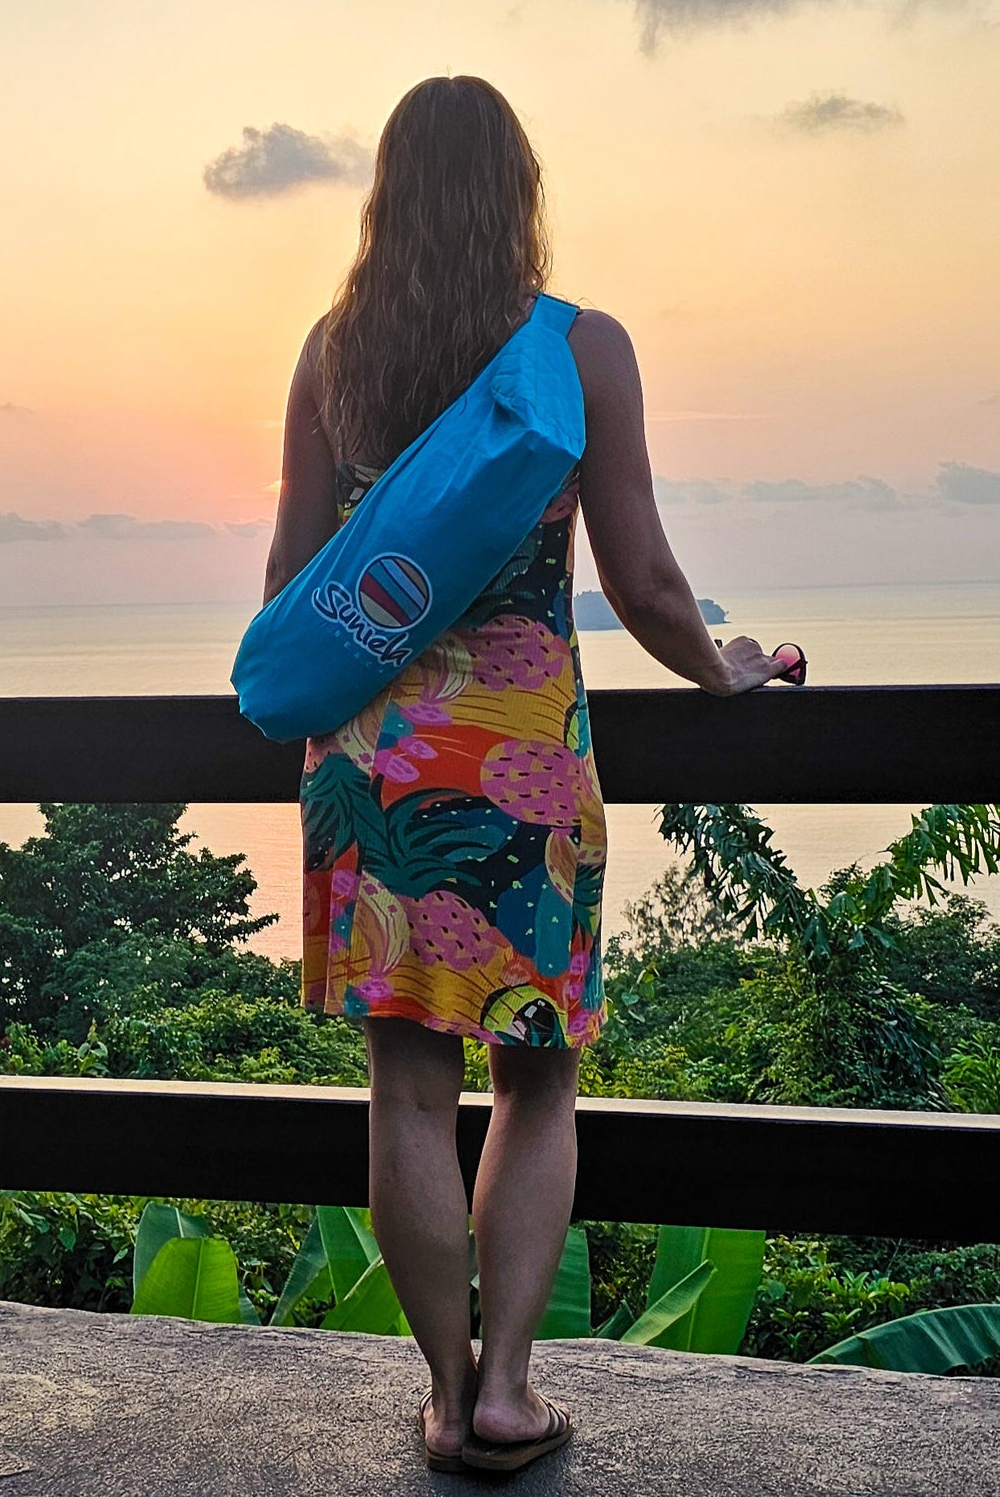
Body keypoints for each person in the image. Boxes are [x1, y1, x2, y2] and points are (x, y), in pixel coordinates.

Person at [260, 75, 794, 1475]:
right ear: (521, 192)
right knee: (537, 1080)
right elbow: (649, 580)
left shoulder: (337, 353)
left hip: (368, 766)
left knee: (407, 1090)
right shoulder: (576, 349)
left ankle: (443, 1400)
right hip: (517, 763)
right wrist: (721, 671)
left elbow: (292, 585)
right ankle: (508, 1392)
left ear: (387, 194)